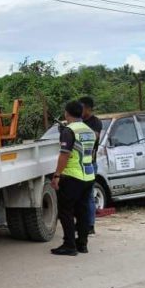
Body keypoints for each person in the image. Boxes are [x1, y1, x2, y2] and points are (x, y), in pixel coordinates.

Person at [50, 101, 97, 256]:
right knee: (82, 211)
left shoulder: (69, 131)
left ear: (66, 113)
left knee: (66, 211)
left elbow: (65, 154)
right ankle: (82, 244)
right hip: (88, 175)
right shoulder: (89, 130)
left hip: (72, 176)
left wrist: (57, 175)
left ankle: (69, 245)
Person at [79, 96, 103, 235]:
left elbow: (94, 136)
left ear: (88, 108)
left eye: (82, 108)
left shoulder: (95, 122)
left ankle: (90, 226)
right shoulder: (79, 121)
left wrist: (79, 128)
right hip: (77, 164)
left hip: (89, 164)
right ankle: (82, 224)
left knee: (88, 196)